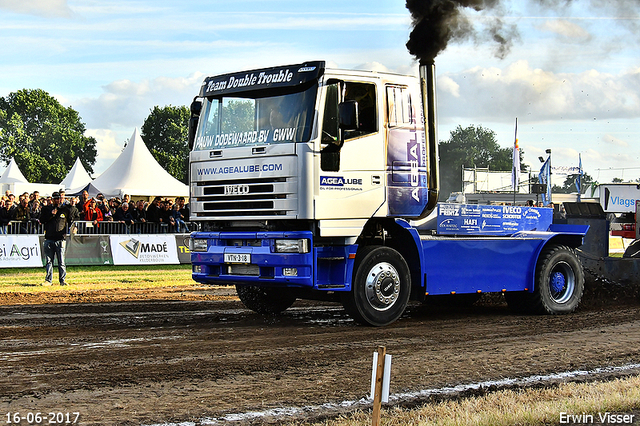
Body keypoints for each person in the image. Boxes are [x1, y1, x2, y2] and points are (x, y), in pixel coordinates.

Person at [40, 192, 73, 286]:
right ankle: (48, 280)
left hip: (60, 238)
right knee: (49, 261)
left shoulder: (65, 210)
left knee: (61, 261)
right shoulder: (46, 209)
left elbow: (70, 221)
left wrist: (73, 228)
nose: (57, 200)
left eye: (58, 198)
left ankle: (62, 280)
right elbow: (42, 220)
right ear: (52, 199)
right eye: (55, 199)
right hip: (49, 238)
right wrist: (51, 214)